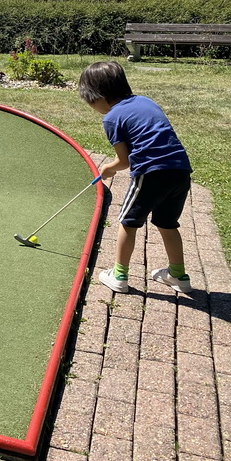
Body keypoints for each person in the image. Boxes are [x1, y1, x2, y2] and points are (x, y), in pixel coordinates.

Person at [77, 61, 193, 294]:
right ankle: (178, 276)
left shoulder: (111, 118)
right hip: (180, 171)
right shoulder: (146, 101)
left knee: (128, 223)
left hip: (150, 174)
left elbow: (125, 160)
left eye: (90, 101)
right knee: (167, 224)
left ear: (98, 96)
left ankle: (119, 276)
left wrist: (108, 168)